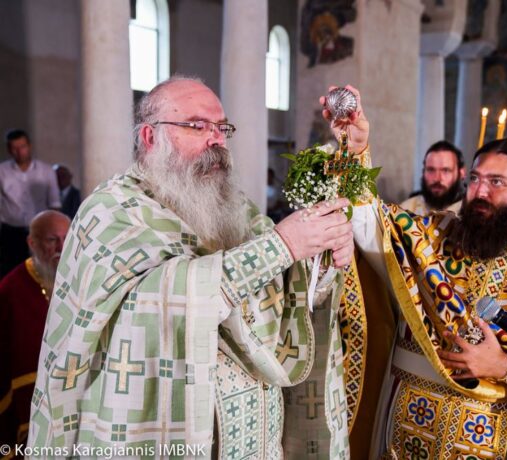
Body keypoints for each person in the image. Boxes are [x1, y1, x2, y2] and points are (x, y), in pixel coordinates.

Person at [28, 77, 355, 458]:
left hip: (256, 436)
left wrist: (318, 256)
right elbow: (150, 308)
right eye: (197, 126)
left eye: (222, 128)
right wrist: (282, 246)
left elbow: (280, 292)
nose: (216, 139)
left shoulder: (238, 209)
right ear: (150, 137)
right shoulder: (110, 212)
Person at [321, 87, 507, 458]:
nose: (480, 192)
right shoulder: (431, 236)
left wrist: (505, 367)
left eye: (496, 182)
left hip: (488, 443)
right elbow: (370, 224)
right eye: (476, 180)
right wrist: (354, 151)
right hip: (407, 432)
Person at [0, 210, 70, 454]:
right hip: (30, 403)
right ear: (33, 243)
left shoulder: (80, 279)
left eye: (67, 238)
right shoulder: (9, 291)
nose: (61, 247)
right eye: (52, 240)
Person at [0, 130, 61, 277]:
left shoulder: (46, 171)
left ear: (29, 146)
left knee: (41, 271)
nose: (19, 152)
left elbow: (54, 203)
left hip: (40, 231)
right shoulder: (2, 171)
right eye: (14, 148)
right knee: (11, 272)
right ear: (9, 149)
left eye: (22, 147)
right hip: (10, 232)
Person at [400, 140, 465, 215]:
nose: (437, 178)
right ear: (423, 171)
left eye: (446, 171)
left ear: (461, 173)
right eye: (431, 170)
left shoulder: (469, 212)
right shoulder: (405, 210)